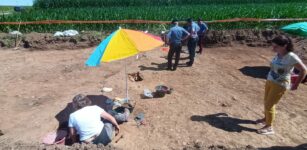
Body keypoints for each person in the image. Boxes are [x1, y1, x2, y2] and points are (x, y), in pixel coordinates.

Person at [256, 35, 307, 135]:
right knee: (266, 102)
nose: (273, 48)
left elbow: (304, 70)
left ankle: (269, 127)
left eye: (276, 46)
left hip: (280, 84)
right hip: (270, 81)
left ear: (284, 46)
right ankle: (266, 118)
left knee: (269, 105)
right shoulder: (279, 53)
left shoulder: (291, 57)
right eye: (273, 46)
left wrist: (296, 84)